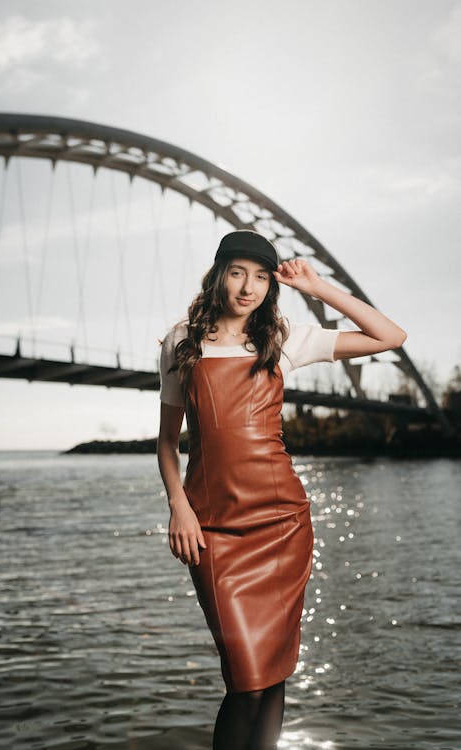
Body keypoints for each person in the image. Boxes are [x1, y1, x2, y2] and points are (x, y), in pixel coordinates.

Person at [156, 229, 406, 750]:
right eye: (237, 272)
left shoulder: (283, 337)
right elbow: (166, 443)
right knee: (244, 681)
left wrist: (320, 290)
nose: (248, 287)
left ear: (272, 286)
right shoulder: (181, 340)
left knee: (271, 676)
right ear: (218, 274)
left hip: (283, 525)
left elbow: (390, 337)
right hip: (213, 531)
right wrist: (178, 507)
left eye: (262, 277)